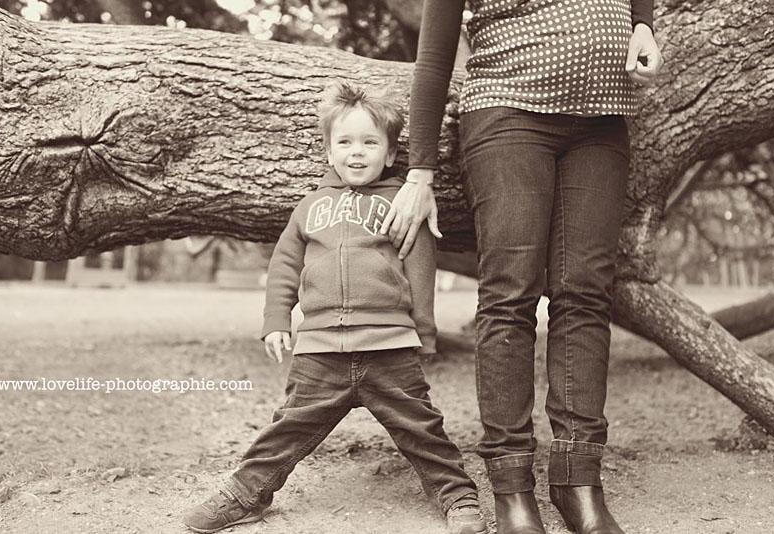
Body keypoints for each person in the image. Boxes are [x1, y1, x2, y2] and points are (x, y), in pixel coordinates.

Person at [381, 1, 664, 533]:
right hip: (508, 112)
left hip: (601, 122)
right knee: (510, 296)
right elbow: (435, 55)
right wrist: (419, 171)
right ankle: (512, 486)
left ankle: (578, 480)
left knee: (585, 294)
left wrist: (643, 22)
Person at [182, 81, 487, 534]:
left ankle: (458, 497)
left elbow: (421, 266)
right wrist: (276, 320)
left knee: (422, 428)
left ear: (390, 153)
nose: (356, 152)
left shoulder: (401, 205)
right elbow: (285, 265)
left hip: (388, 344)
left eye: (369, 143)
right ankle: (245, 494)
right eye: (344, 142)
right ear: (328, 151)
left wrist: (424, 334)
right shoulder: (310, 207)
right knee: (289, 426)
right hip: (320, 348)